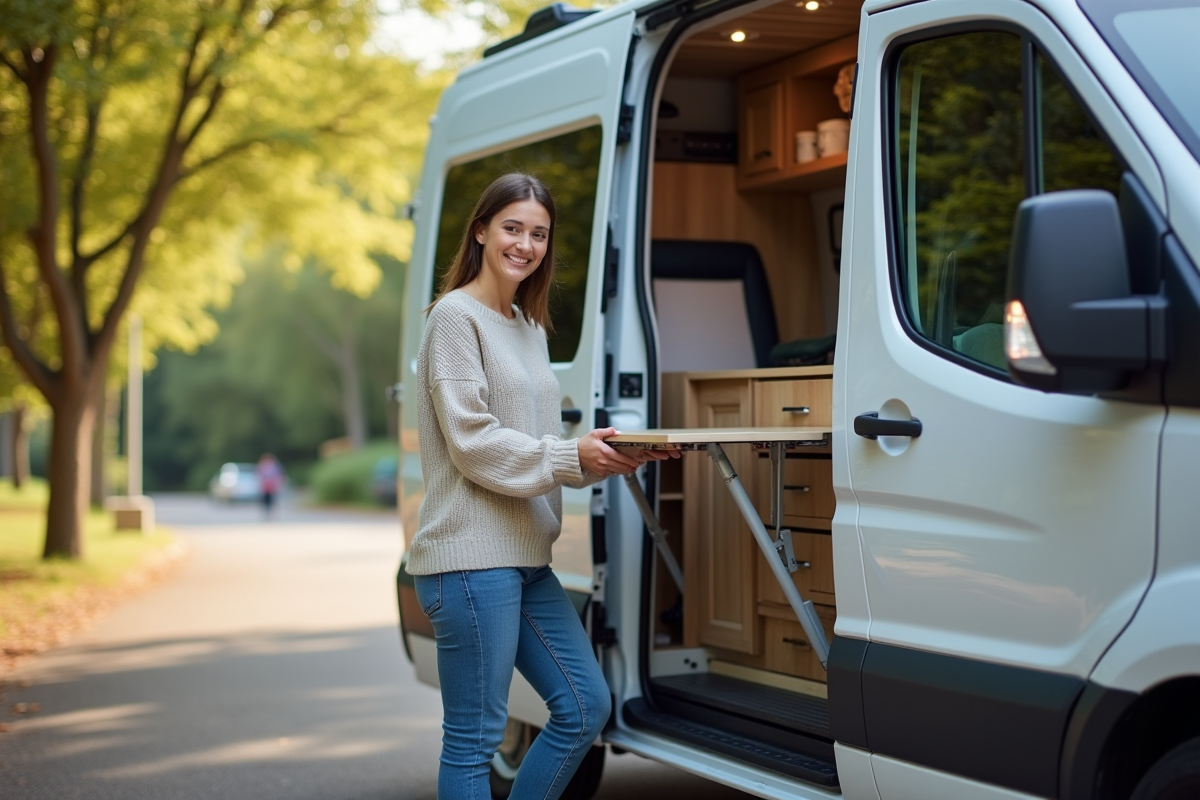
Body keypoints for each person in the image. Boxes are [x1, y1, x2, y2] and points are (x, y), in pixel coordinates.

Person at [408, 173, 677, 800]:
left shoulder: (528, 328)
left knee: (586, 707)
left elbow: (537, 445)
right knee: (474, 740)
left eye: (538, 233)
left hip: (527, 557)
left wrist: (602, 455)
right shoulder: (454, 319)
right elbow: (473, 443)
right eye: (512, 228)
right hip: (471, 562)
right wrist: (565, 454)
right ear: (480, 230)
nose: (525, 245)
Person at [255, 453, 284, 519]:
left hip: (273, 486)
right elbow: (258, 476)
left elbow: (279, 475)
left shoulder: (275, 466)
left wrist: (278, 483)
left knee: (272, 500)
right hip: (264, 486)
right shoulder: (261, 466)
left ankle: (271, 512)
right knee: (265, 500)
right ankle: (266, 512)